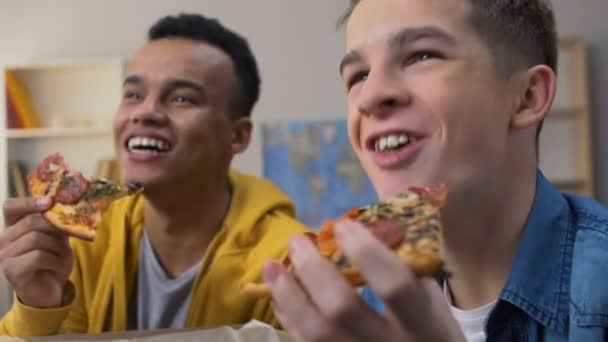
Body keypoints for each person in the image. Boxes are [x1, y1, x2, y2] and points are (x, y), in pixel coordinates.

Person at [263, 0, 608, 341]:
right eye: (359, 76)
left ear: (528, 96)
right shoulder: (357, 308)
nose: (369, 96)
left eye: (422, 55)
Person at [0, 13, 309, 337]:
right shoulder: (84, 238)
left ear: (237, 136)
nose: (144, 112)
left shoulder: (288, 264)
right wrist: (39, 307)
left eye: (181, 98)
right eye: (133, 94)